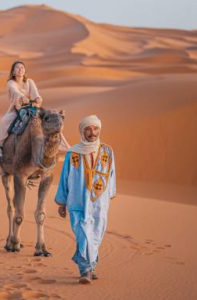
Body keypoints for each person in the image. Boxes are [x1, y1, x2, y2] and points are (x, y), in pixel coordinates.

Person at [55, 115, 116, 284]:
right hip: (77, 202)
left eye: (95, 129)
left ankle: (92, 264)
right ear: (82, 131)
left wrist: (109, 195)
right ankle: (85, 270)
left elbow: (111, 176)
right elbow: (64, 177)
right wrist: (62, 202)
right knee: (83, 235)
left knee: (96, 235)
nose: (92, 133)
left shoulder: (107, 151)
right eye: (88, 129)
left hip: (99, 203)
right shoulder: (73, 152)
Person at [0, 60, 69, 156]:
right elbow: (15, 91)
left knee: (51, 120)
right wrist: (22, 97)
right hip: (17, 109)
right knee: (4, 121)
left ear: (25, 71)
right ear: (13, 71)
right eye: (17, 68)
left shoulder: (30, 82)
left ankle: (62, 146)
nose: (20, 69)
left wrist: (37, 98)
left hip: (33, 108)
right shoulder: (11, 83)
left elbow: (35, 94)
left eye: (22, 68)